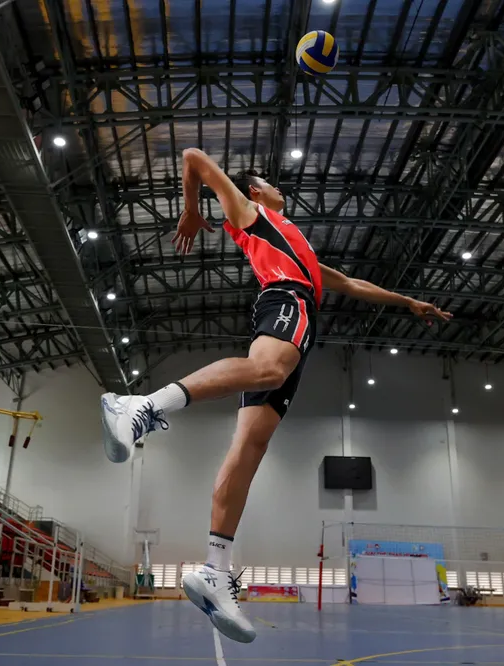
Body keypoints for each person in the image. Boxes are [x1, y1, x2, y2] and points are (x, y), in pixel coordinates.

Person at [100, 148, 452, 642]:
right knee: (268, 369)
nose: (278, 187)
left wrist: (407, 301)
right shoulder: (251, 212)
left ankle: (215, 570)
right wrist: (191, 210)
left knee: (250, 446)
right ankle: (142, 406)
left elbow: (350, 282)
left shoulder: (297, 242)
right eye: (269, 182)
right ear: (256, 191)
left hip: (298, 314)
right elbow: (194, 157)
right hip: (286, 302)